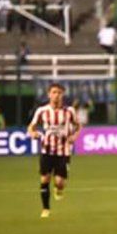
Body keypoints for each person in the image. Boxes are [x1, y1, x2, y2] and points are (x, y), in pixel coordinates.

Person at [27, 83, 82, 219]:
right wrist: (32, 133)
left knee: (59, 182)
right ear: (49, 94)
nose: (56, 95)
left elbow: (78, 125)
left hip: (63, 151)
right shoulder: (42, 111)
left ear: (63, 94)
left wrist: (74, 136)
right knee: (45, 179)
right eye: (54, 92)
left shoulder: (69, 111)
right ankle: (45, 208)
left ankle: (59, 188)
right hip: (46, 150)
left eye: (59, 92)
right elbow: (31, 127)